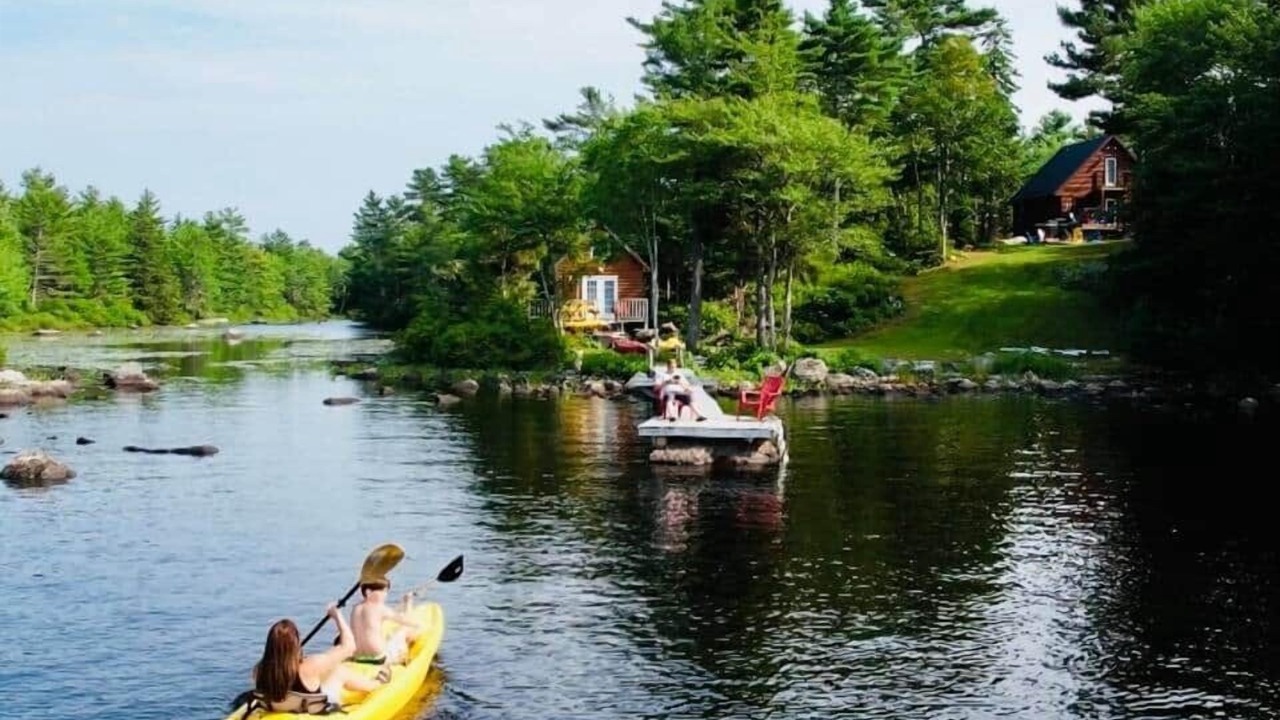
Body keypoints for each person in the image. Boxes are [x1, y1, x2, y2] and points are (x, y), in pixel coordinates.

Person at [252, 603, 387, 713]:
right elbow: (350, 647)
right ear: (296, 643)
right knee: (340, 671)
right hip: (311, 712)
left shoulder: (258, 670)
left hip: (279, 709)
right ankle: (375, 685)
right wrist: (337, 615)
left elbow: (284, 677)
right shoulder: (311, 665)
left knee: (325, 674)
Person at [350, 577, 422, 667]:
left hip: (358, 657)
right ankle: (403, 658)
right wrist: (408, 601)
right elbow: (408, 621)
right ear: (368, 592)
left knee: (385, 636)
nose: (385, 595)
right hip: (379, 658)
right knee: (404, 630)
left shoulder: (355, 608)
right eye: (383, 591)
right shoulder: (380, 608)